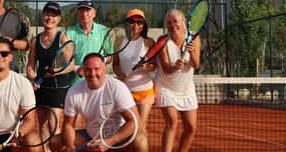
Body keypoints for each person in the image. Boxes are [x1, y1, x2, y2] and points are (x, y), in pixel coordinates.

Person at [59, 53, 148, 152]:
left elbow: (135, 122)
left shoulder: (118, 87)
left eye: (97, 69)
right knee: (56, 142)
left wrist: (108, 142)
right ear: (83, 71)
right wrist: (70, 146)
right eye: (88, 70)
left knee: (140, 140)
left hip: (119, 137)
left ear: (104, 69)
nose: (92, 73)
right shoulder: (73, 91)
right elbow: (68, 124)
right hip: (91, 137)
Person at [26, 2, 76, 144]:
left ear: (58, 19)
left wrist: (57, 71)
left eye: (54, 15)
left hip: (58, 88)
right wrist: (32, 79)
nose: (50, 18)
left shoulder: (62, 38)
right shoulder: (36, 40)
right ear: (43, 16)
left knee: (53, 126)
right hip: (42, 88)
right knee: (42, 126)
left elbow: (71, 65)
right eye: (47, 14)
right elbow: (30, 65)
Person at [155, 9, 201, 152]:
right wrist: (175, 66)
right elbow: (166, 68)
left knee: (191, 128)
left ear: (183, 22)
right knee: (172, 122)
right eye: (169, 22)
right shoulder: (162, 41)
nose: (172, 25)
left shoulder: (194, 38)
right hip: (165, 87)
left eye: (175, 21)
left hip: (186, 89)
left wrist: (192, 51)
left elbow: (196, 64)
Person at [112, 9, 156, 136]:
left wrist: (148, 67)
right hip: (125, 92)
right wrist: (120, 74)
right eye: (132, 21)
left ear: (144, 25)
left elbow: (155, 65)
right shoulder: (119, 41)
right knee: (126, 128)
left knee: (140, 128)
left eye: (139, 22)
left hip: (145, 91)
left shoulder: (149, 42)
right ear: (127, 23)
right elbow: (115, 65)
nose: (136, 25)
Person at [65, 0, 111, 75]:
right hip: (75, 82)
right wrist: (77, 69)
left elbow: (110, 57)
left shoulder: (103, 31)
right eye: (81, 11)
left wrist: (102, 60)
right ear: (77, 13)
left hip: (98, 80)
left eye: (88, 10)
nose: (84, 13)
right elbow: (65, 60)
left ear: (94, 13)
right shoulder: (69, 32)